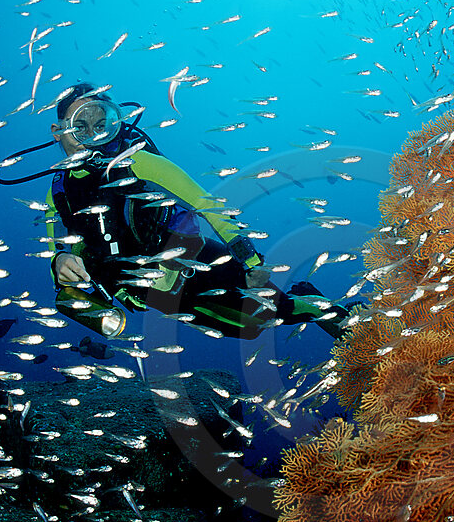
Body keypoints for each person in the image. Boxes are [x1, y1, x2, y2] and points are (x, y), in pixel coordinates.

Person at [40, 83, 347, 340]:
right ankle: (305, 299)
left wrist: (252, 261)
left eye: (101, 125)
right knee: (247, 329)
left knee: (262, 316)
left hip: (194, 261)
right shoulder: (58, 193)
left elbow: (207, 204)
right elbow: (61, 250)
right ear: (58, 131)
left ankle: (317, 306)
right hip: (145, 292)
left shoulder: (138, 163)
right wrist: (61, 263)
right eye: (80, 126)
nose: (92, 135)